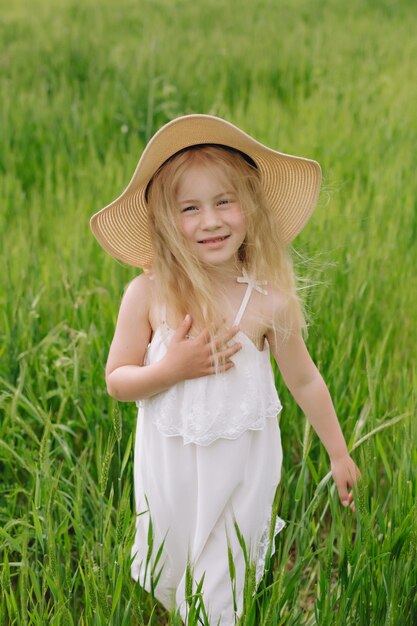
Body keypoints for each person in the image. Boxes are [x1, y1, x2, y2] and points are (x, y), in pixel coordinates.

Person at [90, 114, 360, 625]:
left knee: (219, 601)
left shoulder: (267, 302)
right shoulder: (148, 294)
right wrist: (171, 368)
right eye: (189, 208)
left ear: (250, 208)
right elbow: (117, 380)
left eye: (224, 202)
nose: (210, 221)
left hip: (240, 474)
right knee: (175, 580)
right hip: (172, 474)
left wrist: (338, 452)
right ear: (167, 221)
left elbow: (304, 379)